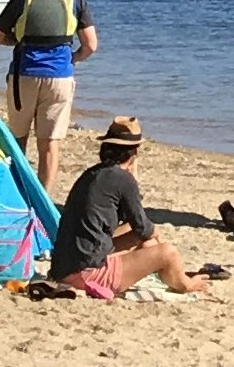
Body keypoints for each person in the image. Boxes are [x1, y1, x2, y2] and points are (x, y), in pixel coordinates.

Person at [49, 116, 211, 300]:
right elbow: (143, 227)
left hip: (63, 267)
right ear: (133, 154)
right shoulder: (122, 179)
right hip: (86, 274)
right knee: (168, 252)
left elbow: (134, 226)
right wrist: (155, 234)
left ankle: (167, 272)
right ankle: (186, 283)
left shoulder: (93, 173)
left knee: (139, 235)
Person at [0, 0, 99, 179]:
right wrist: (73, 58)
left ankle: (17, 189)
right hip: (59, 76)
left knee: (18, 139)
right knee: (50, 144)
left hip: (25, 74)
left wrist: (16, 40)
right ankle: (43, 200)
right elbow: (91, 44)